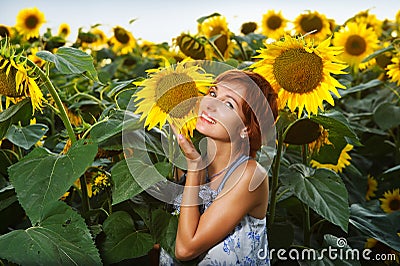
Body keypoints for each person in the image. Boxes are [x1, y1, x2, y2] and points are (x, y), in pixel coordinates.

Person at [159, 69, 278, 265]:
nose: (211, 105)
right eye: (213, 93)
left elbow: (185, 249)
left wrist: (195, 166)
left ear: (246, 128)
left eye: (228, 104)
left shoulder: (249, 176)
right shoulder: (191, 164)